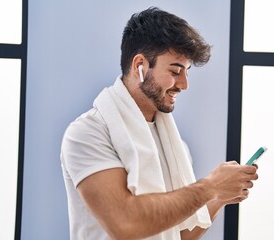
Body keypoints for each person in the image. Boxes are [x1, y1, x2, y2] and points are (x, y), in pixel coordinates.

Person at [61, 7, 258, 240]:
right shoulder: (88, 133)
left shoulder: (174, 145)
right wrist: (210, 187)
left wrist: (219, 197)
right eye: (175, 71)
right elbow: (125, 224)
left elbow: (180, 233)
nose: (183, 84)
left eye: (186, 72)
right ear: (140, 66)